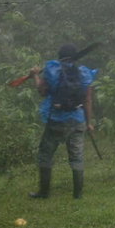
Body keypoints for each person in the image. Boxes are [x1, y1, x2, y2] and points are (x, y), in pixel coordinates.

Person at [28, 43, 96, 199]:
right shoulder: (84, 74)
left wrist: (35, 76)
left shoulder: (53, 71)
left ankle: (44, 192)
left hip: (57, 119)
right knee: (77, 156)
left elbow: (42, 91)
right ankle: (78, 195)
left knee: (46, 154)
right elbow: (87, 100)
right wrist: (89, 122)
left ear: (60, 57)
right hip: (78, 119)